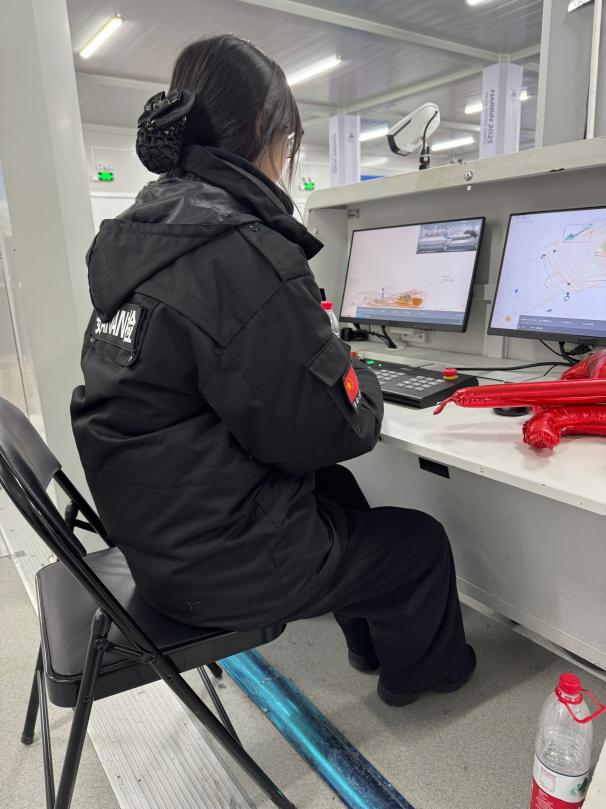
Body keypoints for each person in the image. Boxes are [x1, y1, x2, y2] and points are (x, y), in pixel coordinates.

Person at [71, 34, 475, 706]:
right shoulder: (238, 250)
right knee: (421, 543)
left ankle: (367, 645)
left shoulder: (144, 235)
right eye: (289, 140)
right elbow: (332, 429)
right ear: (266, 127)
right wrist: (357, 372)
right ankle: (428, 677)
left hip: (157, 542)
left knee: (336, 487)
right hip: (217, 567)